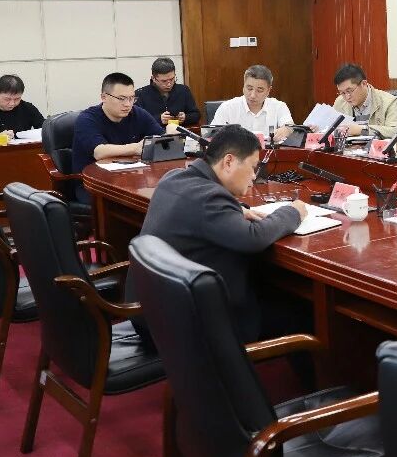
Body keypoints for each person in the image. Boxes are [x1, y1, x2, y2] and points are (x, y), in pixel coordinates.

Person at [129, 125, 308, 343]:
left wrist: (234, 208)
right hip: (186, 328)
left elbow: (201, 208)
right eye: (253, 167)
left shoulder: (173, 178)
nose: (254, 176)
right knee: (304, 313)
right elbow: (253, 238)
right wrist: (293, 212)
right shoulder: (210, 199)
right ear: (228, 161)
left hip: (152, 314)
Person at [71, 72, 171, 202]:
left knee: (163, 197)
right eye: (121, 98)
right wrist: (136, 148)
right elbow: (100, 152)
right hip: (94, 185)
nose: (128, 104)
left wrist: (170, 135)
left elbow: (161, 138)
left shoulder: (137, 113)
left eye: (132, 98)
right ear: (104, 97)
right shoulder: (87, 119)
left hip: (130, 179)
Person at [210, 64, 294, 143]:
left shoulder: (279, 106)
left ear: (268, 90)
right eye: (249, 88)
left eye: (259, 90)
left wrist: (286, 129)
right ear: (243, 86)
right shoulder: (227, 107)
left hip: (268, 152)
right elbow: (212, 135)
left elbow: (290, 127)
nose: (253, 95)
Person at [331, 63, 397, 138]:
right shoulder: (340, 102)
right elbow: (332, 129)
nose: (347, 97)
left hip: (375, 145)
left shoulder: (388, 101)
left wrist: (362, 129)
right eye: (342, 93)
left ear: (364, 83)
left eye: (350, 91)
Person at [133, 57, 200, 126]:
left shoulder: (183, 90)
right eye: (164, 81)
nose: (169, 84)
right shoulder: (140, 94)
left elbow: (196, 115)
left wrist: (186, 117)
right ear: (153, 78)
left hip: (180, 131)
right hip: (155, 132)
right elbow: (136, 121)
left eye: (172, 79)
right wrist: (159, 119)